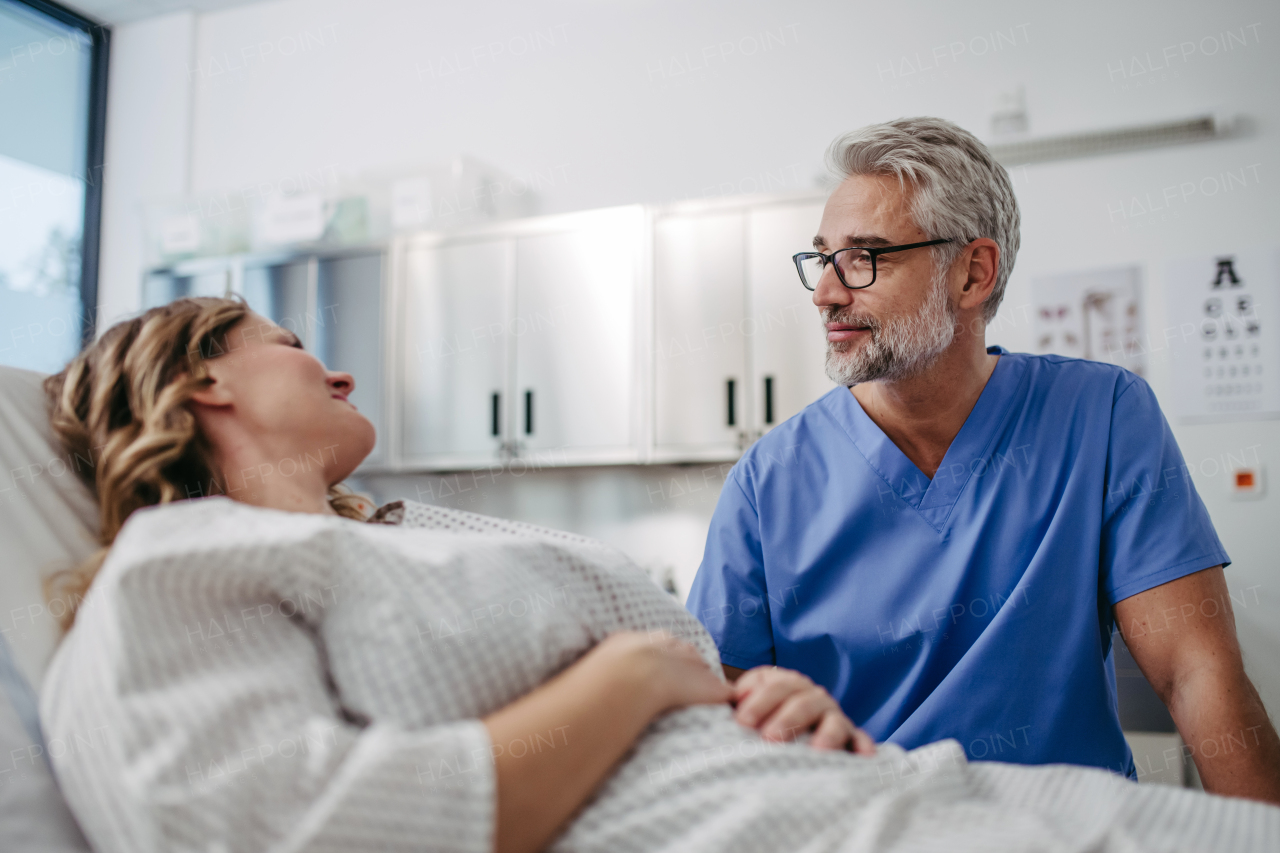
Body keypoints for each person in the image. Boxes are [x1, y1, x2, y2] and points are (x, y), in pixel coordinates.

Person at [38, 300, 1279, 853]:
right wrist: (637, 675)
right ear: (205, 384)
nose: (341, 373)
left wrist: (768, 702)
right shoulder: (179, 569)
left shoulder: (420, 533)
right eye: (294, 346)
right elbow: (281, 829)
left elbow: (698, 672)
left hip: (876, 792)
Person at [684, 117, 1280, 803]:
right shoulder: (768, 481)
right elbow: (716, 722)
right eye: (822, 258)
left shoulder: (1103, 414)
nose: (826, 292)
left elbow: (1194, 672)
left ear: (973, 273)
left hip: (1071, 828)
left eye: (865, 257)